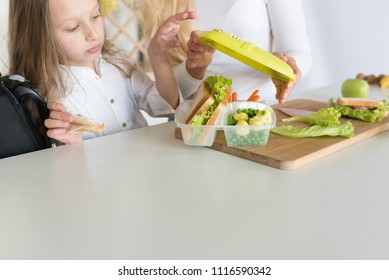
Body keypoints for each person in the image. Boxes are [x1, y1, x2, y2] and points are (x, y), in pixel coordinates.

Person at [7, 0, 196, 144]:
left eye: (95, 16)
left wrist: (158, 55)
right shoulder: (46, 97)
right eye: (73, 28)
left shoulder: (117, 64)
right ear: (39, 37)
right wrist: (70, 145)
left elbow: (164, 106)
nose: (93, 34)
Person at [138, 0, 312, 105]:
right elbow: (171, 97)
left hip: (262, 114)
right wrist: (195, 68)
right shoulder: (159, 4)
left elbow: (298, 51)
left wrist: (286, 66)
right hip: (200, 124)